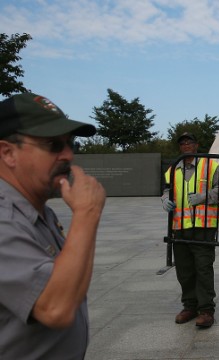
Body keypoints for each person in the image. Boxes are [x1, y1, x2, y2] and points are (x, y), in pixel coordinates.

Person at [0, 93, 106, 359]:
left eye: (71, 144)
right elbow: (55, 308)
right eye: (53, 145)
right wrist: (87, 213)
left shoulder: (38, 210)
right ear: (8, 152)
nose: (68, 155)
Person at [161, 132, 219, 328]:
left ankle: (206, 310)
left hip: (203, 226)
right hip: (179, 226)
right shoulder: (172, 169)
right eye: (183, 143)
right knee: (184, 269)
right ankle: (189, 306)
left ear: (197, 144)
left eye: (190, 141)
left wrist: (203, 196)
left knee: (203, 268)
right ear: (180, 147)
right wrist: (165, 198)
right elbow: (166, 189)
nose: (186, 145)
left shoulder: (210, 165)